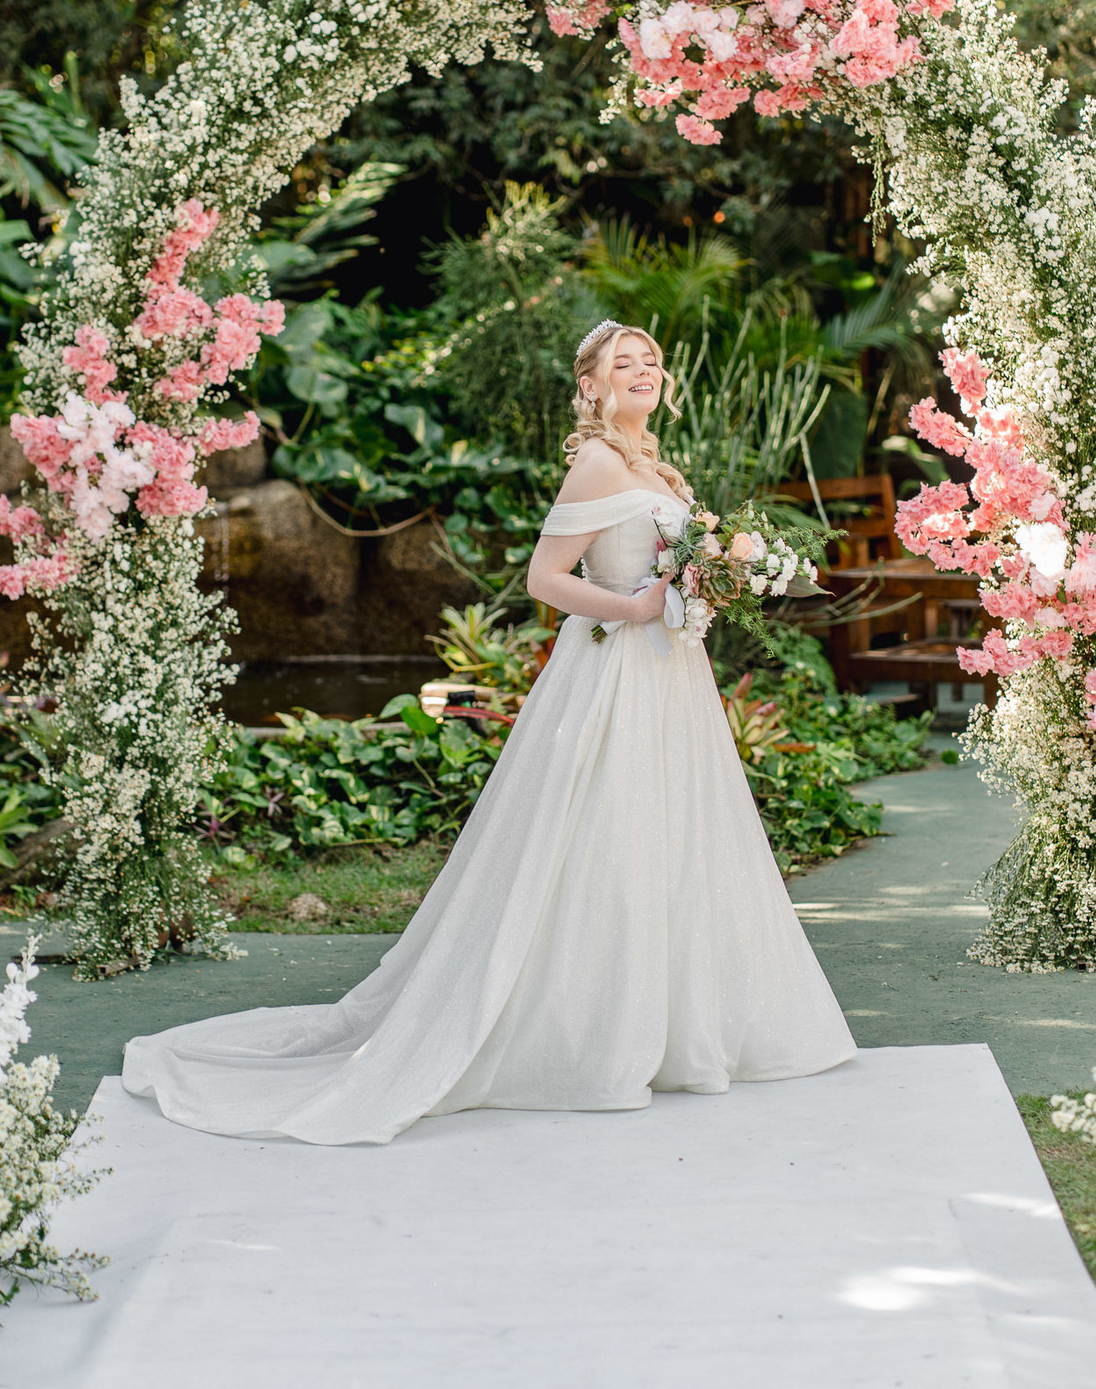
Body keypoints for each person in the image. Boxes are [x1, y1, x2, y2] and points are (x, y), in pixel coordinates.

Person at [122, 320, 854, 1145]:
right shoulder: (599, 460)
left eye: (651, 360)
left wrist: (707, 588)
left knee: (672, 838)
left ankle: (681, 1026)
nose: (644, 371)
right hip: (615, 670)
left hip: (668, 675)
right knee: (607, 840)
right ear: (593, 386)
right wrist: (636, 606)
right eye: (625, 363)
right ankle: (589, 1034)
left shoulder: (652, 462)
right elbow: (548, 578)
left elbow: (665, 565)